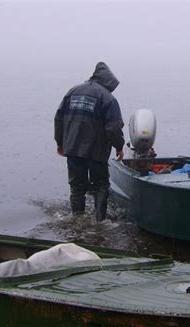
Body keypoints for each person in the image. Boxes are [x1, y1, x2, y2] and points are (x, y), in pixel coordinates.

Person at [54, 62, 125, 222]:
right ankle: (100, 222)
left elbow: (59, 118)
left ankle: (77, 220)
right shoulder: (108, 98)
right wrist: (119, 146)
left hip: (72, 149)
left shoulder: (72, 92)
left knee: (77, 187)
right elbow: (113, 129)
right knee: (101, 185)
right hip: (96, 152)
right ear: (108, 81)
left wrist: (60, 143)